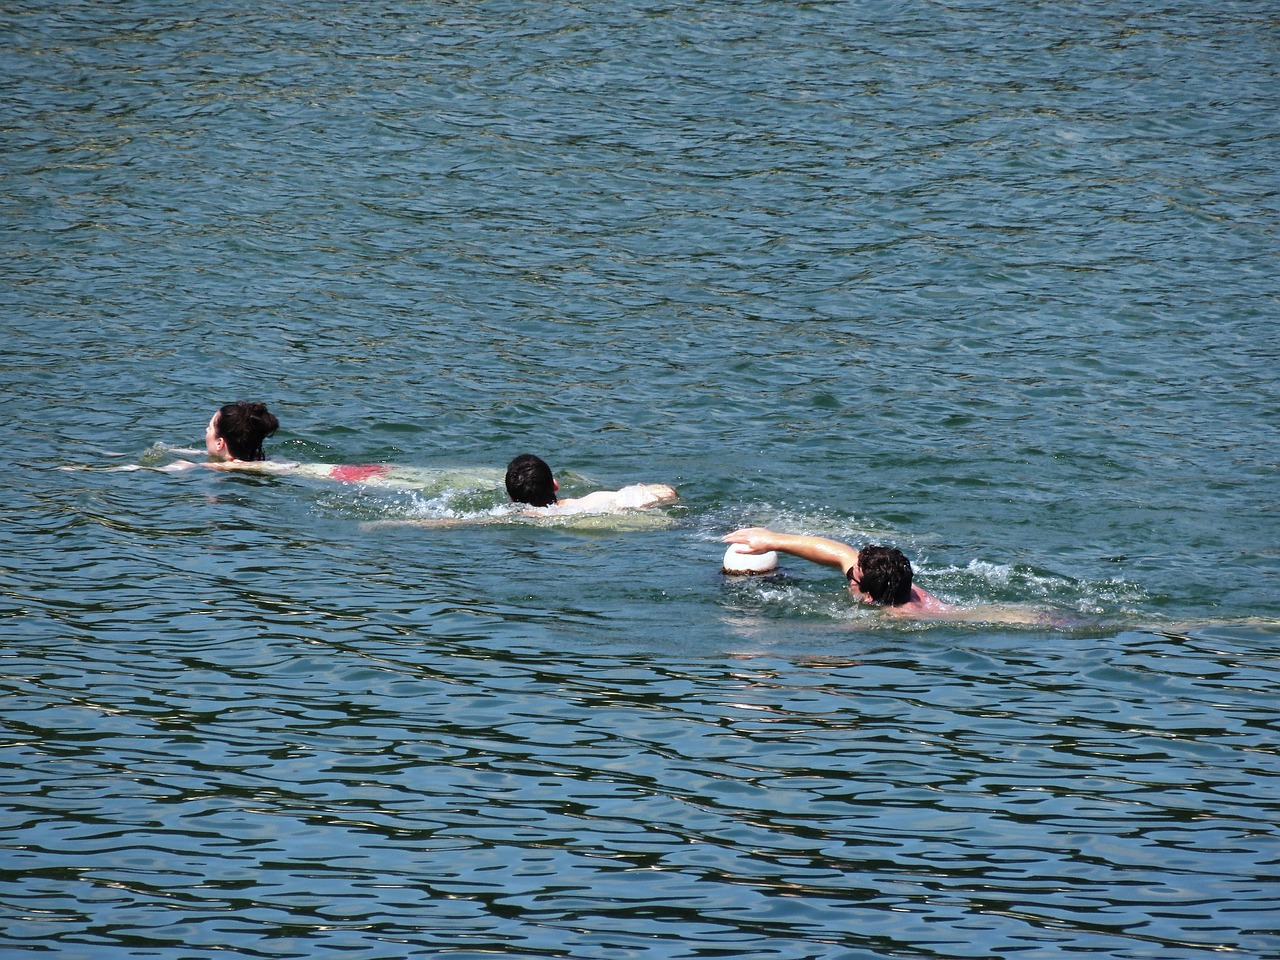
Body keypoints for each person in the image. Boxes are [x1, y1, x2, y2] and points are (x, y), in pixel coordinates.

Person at [722, 526, 952, 616]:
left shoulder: (897, 617)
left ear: (869, 596)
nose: (848, 569)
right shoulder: (891, 580)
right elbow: (840, 553)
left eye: (853, 573)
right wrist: (772, 540)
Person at [505, 453, 677, 515]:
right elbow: (668, 494)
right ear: (555, 484)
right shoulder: (592, 502)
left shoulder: (504, 518)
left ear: (512, 498)